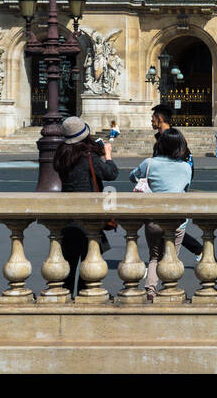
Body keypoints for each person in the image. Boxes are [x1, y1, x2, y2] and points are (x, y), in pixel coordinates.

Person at [52, 116, 118, 297]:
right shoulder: (88, 157)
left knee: (68, 266)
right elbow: (111, 174)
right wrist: (108, 155)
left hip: (67, 218)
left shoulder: (61, 156)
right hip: (88, 219)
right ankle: (83, 300)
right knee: (88, 268)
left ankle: (65, 301)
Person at [131, 127, 196, 302]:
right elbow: (185, 188)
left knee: (154, 257)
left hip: (153, 220)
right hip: (176, 221)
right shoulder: (185, 167)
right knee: (171, 257)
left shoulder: (149, 163)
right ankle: (169, 289)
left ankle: (150, 289)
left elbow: (133, 177)